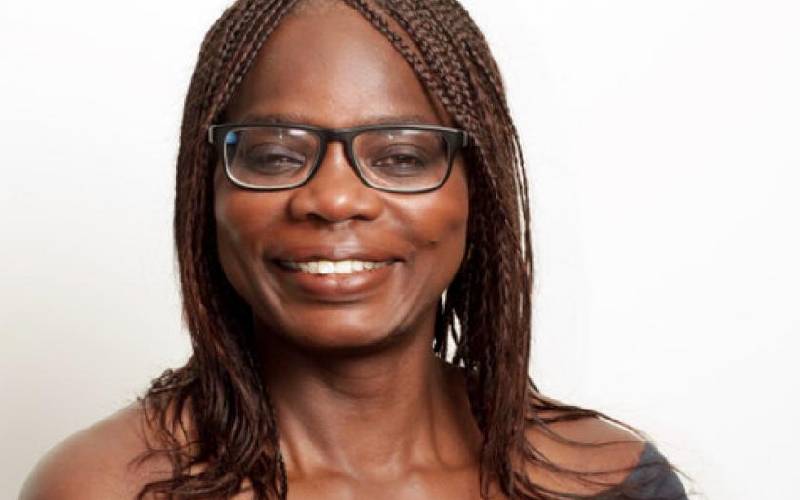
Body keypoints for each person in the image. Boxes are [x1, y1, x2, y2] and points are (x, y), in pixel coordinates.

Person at [20, 0, 689, 499]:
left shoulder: (607, 479)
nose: (335, 199)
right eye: (275, 155)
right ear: (208, 192)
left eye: (401, 156)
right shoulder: (101, 489)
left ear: (476, 192)